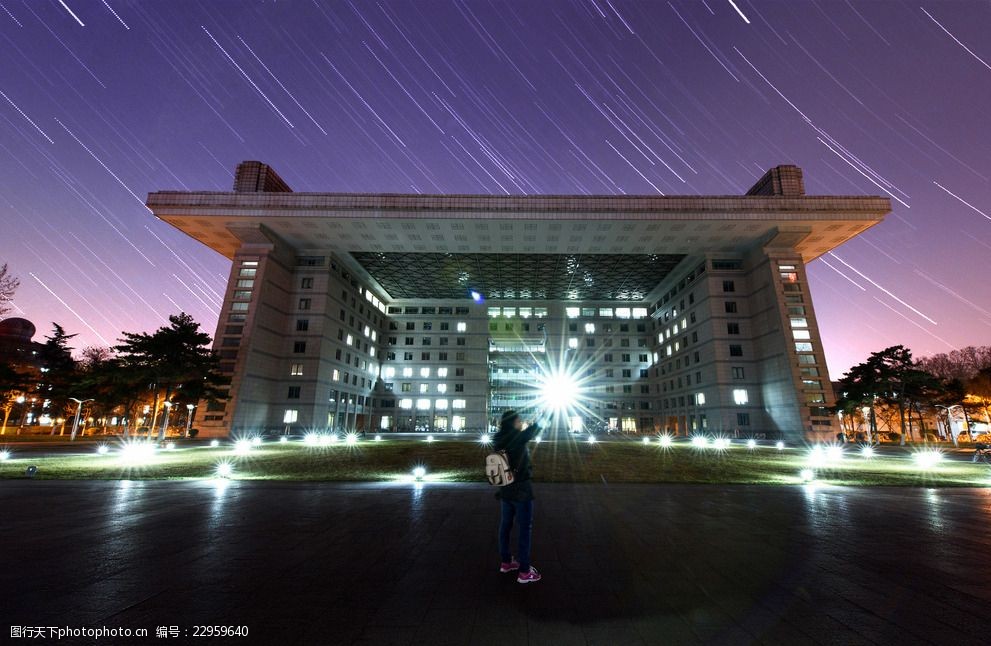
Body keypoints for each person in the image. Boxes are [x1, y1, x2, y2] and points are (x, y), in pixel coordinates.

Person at [493, 409, 542, 584]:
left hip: (505, 487)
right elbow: (536, 429)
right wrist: (548, 414)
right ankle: (524, 571)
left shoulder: (497, 438)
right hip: (521, 489)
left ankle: (506, 562)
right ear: (513, 421)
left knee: (505, 525)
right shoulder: (517, 437)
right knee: (524, 528)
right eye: (519, 420)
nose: (521, 422)